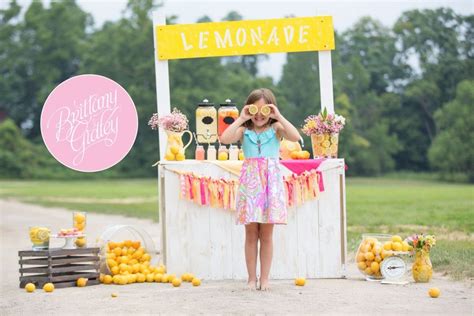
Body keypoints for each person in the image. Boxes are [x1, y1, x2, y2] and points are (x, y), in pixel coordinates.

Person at [220, 88, 301, 290]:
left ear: (270, 110)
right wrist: (240, 118)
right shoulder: (243, 131)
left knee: (266, 235)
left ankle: (265, 279)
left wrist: (278, 115)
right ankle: (250, 279)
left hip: (270, 186)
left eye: (263, 109)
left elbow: (295, 136)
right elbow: (224, 139)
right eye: (254, 109)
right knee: (250, 234)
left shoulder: (276, 130)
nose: (258, 114)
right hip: (250, 185)